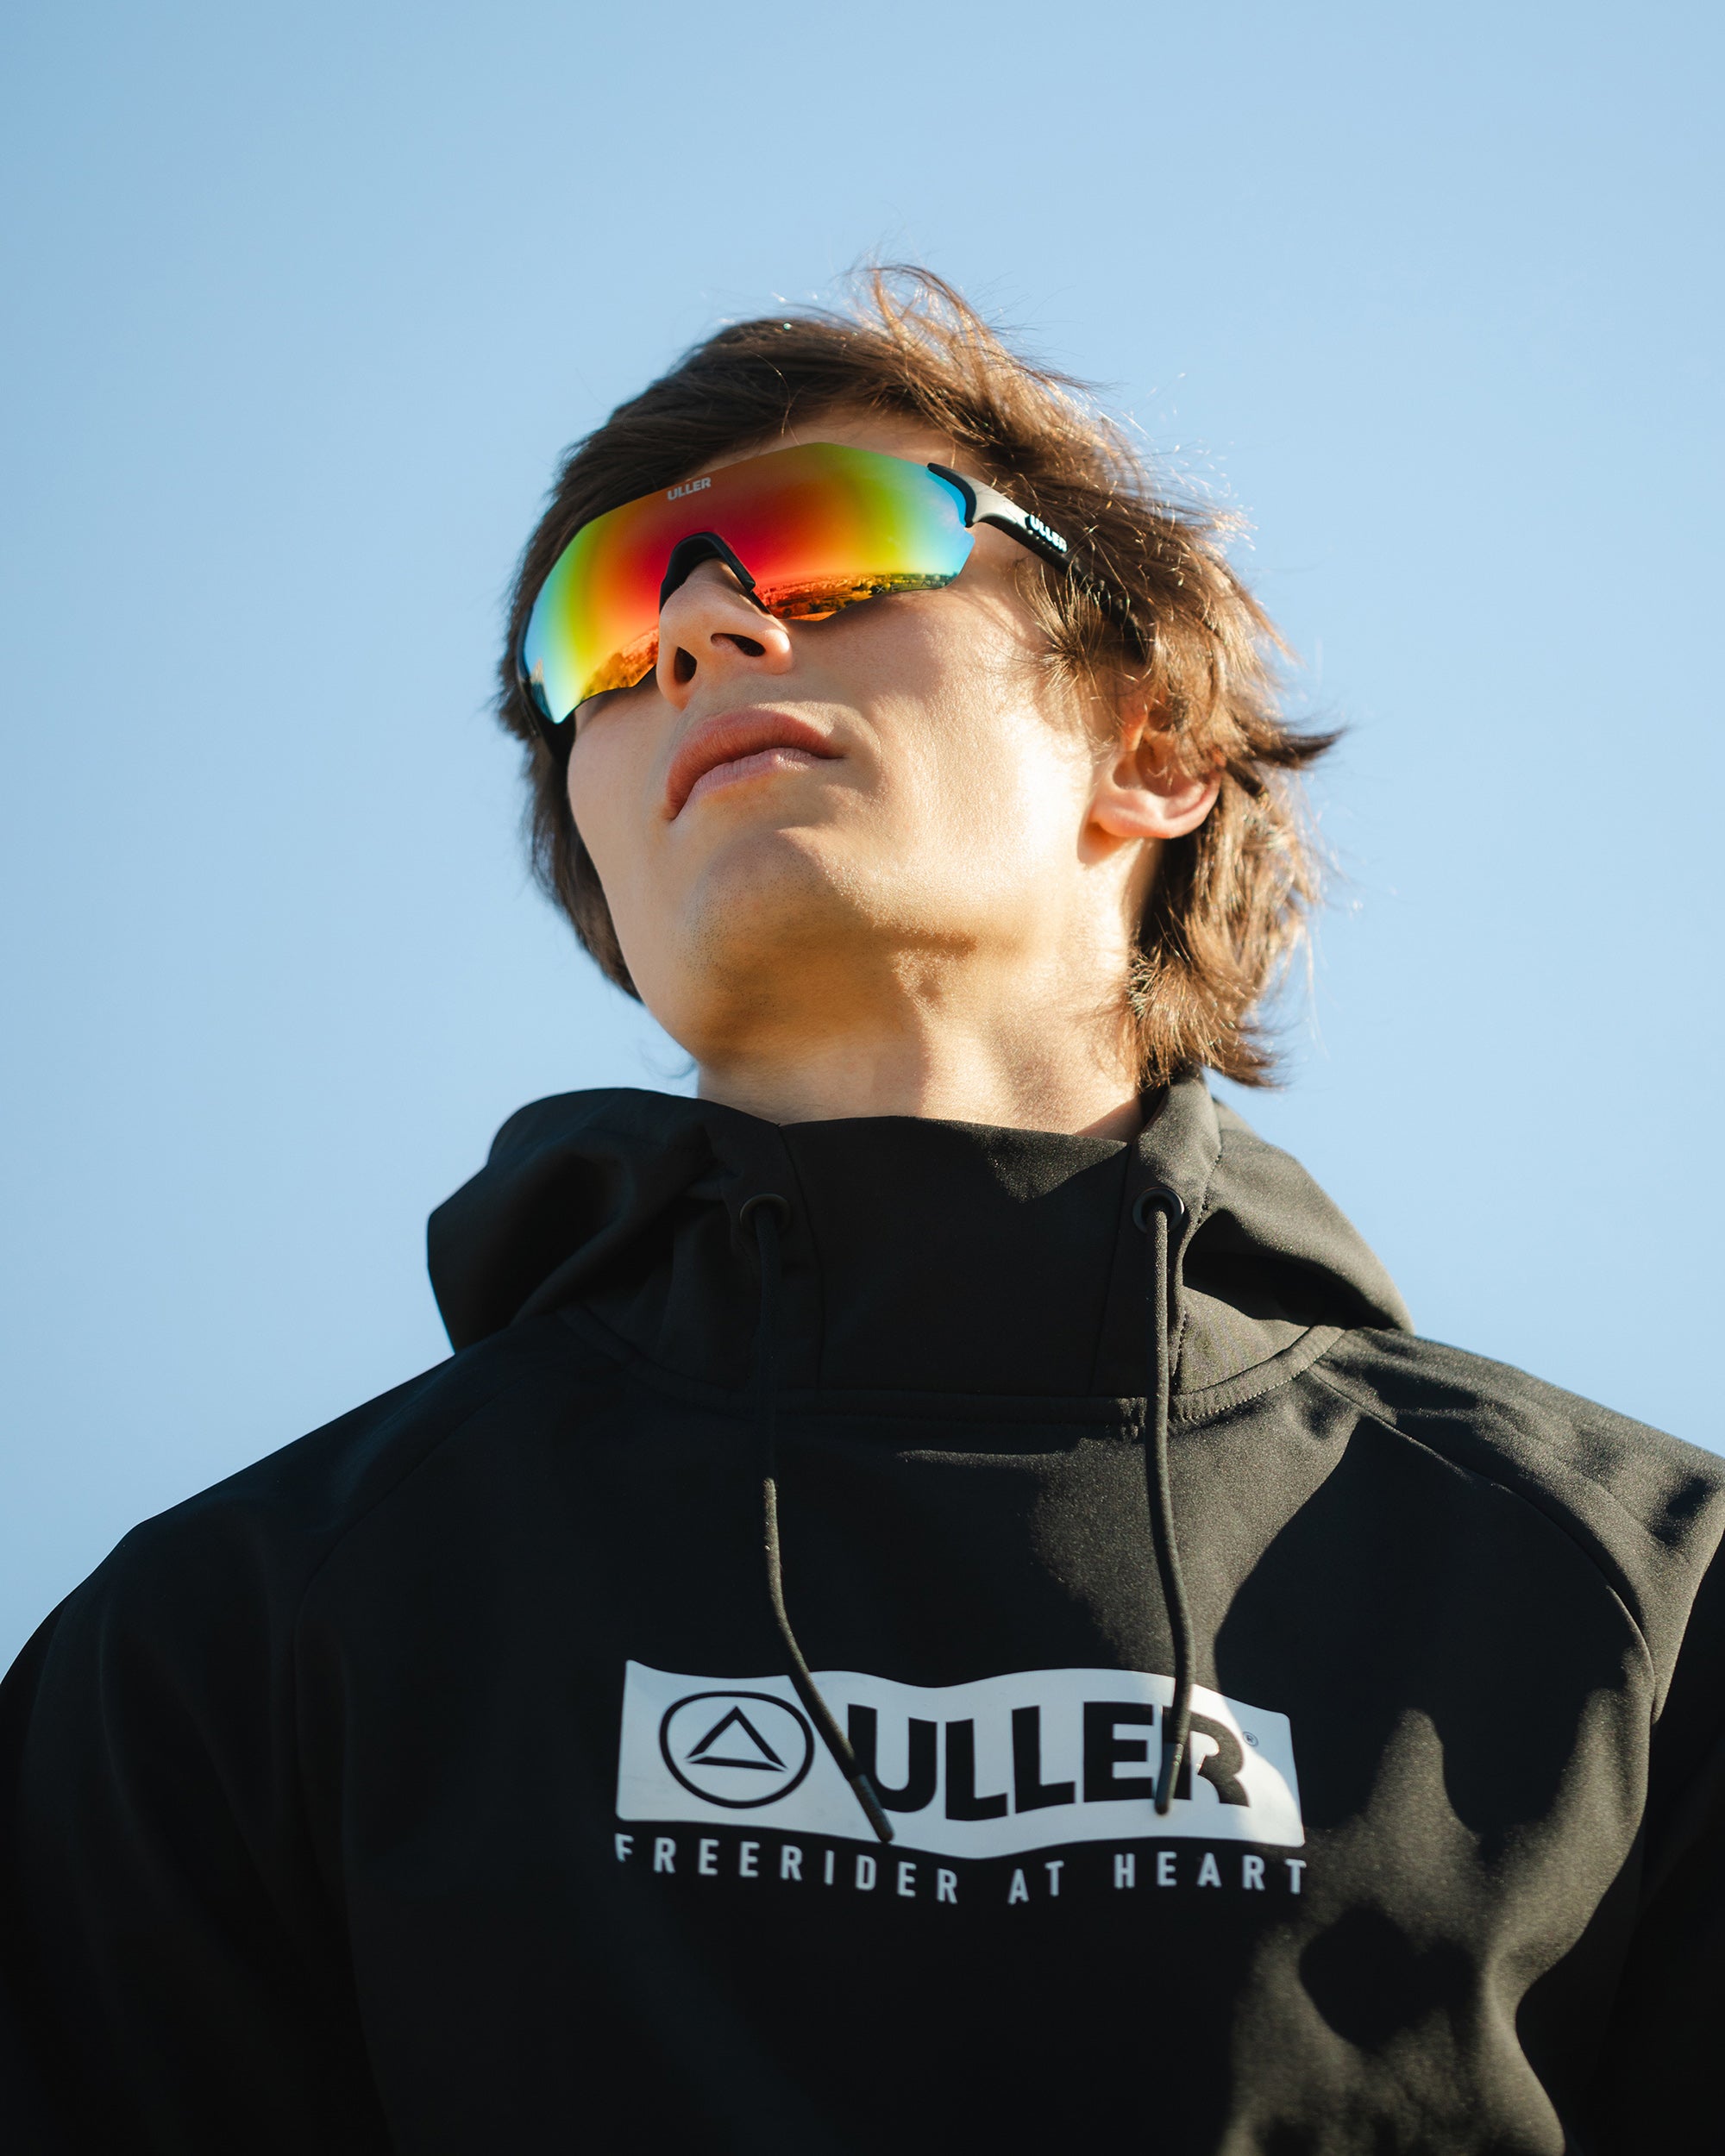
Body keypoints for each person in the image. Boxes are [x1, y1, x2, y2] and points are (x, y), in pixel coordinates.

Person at [3, 270, 1719, 2155]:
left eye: (832, 543)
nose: (699, 628)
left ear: (1153, 746)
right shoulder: (226, 1641)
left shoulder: (1643, 1601)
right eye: (604, 623)